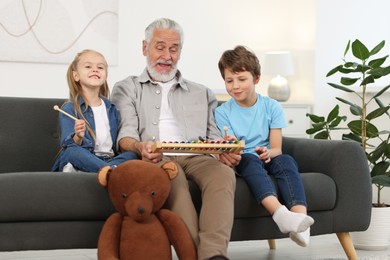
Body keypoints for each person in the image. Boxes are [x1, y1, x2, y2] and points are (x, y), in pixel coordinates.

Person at [111, 18, 241, 260]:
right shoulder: (127, 88)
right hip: (157, 158)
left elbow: (213, 137)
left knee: (223, 174)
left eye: (174, 48)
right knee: (176, 181)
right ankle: (193, 255)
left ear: (180, 50)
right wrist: (141, 147)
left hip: (198, 157)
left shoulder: (202, 92)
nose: (167, 56)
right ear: (144, 48)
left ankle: (213, 255)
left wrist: (223, 150)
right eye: (160, 47)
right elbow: (125, 136)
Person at [215, 45, 314, 247]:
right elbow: (234, 148)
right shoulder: (222, 112)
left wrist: (269, 152)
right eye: (229, 80)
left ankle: (301, 221)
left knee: (286, 160)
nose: (235, 86)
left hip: (268, 156)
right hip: (244, 159)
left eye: (242, 79)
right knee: (250, 159)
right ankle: (279, 214)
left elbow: (277, 147)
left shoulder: (272, 106)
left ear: (256, 78)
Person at [52, 49, 138, 173]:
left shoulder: (112, 108)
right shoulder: (69, 109)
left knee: (132, 155)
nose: (95, 70)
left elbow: (116, 146)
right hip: (84, 156)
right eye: (88, 66)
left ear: (106, 75)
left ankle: (105, 170)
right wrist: (78, 136)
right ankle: (110, 172)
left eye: (100, 67)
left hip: (109, 159)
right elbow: (68, 144)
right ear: (75, 75)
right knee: (71, 152)